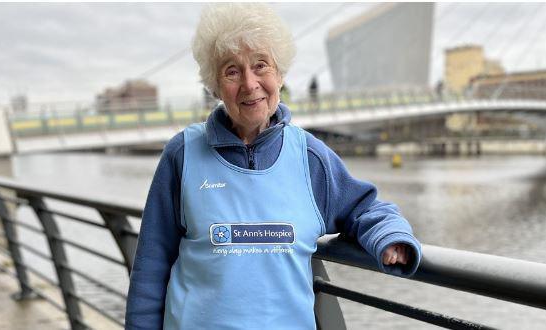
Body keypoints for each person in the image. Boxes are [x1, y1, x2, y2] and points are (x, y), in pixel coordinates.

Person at [125, 4, 421, 329]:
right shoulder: (183, 154)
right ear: (214, 86)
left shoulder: (310, 157)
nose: (250, 83)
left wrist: (389, 236)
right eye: (232, 71)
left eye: (261, 65)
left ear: (280, 75)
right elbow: (150, 267)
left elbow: (364, 208)